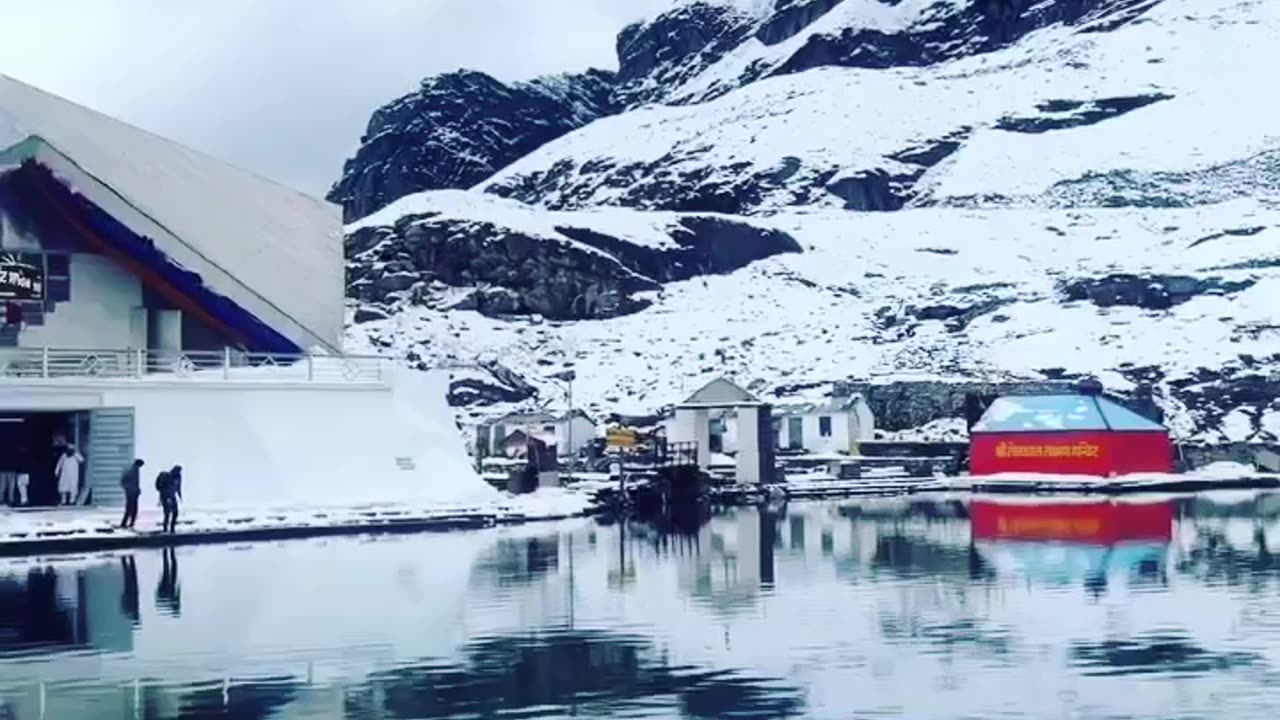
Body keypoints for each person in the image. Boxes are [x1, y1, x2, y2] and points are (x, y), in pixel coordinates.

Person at [119, 459, 144, 529]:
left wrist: (137, 489)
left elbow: (135, 482)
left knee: (132, 509)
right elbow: (124, 480)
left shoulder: (134, 469)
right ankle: (126, 523)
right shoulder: (132, 470)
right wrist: (128, 488)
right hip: (131, 492)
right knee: (131, 509)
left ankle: (129, 523)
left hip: (133, 492)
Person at [156, 465, 182, 533]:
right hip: (166, 496)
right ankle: (165, 528)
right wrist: (163, 498)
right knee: (167, 513)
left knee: (175, 513)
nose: (179, 472)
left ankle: (172, 528)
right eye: (178, 471)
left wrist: (179, 495)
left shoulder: (178, 477)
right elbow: (162, 488)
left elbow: (178, 487)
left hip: (172, 496)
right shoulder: (167, 476)